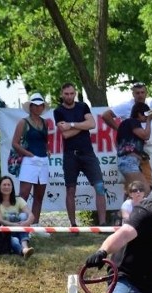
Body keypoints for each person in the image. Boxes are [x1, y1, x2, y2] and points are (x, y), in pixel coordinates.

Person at [53, 84, 106, 227]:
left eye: (71, 93)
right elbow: (65, 134)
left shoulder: (83, 106)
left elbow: (92, 124)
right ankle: (73, 224)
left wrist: (71, 124)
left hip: (88, 152)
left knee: (100, 186)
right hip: (70, 154)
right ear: (61, 94)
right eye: (66, 94)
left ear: (75, 93)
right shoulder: (58, 111)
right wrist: (83, 126)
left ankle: (103, 223)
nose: (69, 96)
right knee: (70, 189)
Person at [14, 92, 52, 225]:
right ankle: (21, 225)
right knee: (23, 194)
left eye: (40, 105)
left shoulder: (45, 123)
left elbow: (44, 141)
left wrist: (47, 150)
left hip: (43, 161)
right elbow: (15, 143)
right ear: (30, 107)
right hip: (29, 161)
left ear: (43, 107)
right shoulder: (23, 122)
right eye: (35, 105)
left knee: (39, 196)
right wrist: (28, 154)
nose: (37, 108)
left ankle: (35, 224)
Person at [0, 175, 34, 258]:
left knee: (24, 215)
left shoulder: (19, 200)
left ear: (12, 187)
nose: (7, 187)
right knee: (15, 240)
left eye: (9, 185)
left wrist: (26, 222)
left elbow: (31, 215)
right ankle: (23, 251)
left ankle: (25, 247)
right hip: (4, 233)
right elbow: (0, 220)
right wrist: (18, 225)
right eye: (4, 185)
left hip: (19, 230)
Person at [115, 101, 152, 188]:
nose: (146, 117)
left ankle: (128, 201)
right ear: (139, 114)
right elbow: (146, 135)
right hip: (130, 161)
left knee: (133, 192)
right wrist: (149, 120)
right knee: (143, 189)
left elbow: (117, 144)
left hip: (125, 160)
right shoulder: (133, 121)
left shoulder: (124, 124)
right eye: (145, 114)